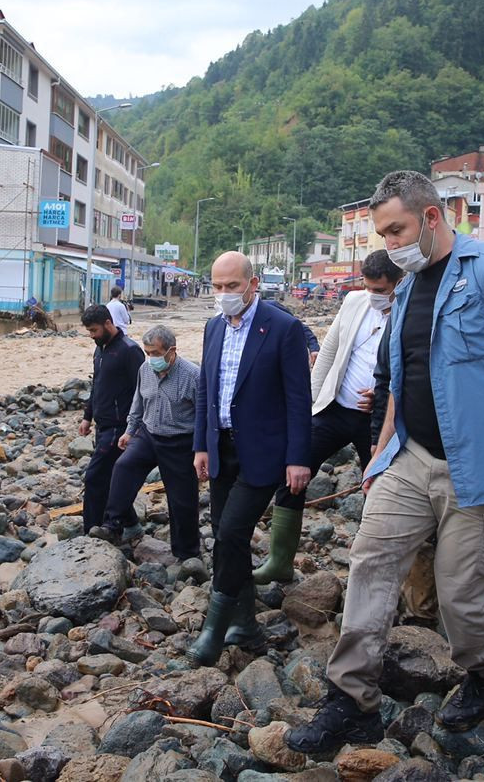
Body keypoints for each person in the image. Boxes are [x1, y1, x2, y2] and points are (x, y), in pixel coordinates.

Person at [287, 171, 484, 751]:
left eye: (397, 229)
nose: (390, 243)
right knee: (370, 563)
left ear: (432, 217)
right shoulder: (406, 290)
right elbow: (405, 378)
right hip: (412, 456)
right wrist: (380, 452)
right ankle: (351, 700)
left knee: (460, 595)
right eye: (382, 233)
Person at [189, 252, 311, 665]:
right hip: (220, 448)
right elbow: (207, 390)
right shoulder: (212, 327)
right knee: (225, 533)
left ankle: (215, 626)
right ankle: (246, 624)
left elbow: (299, 400)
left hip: (262, 451)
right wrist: (201, 445)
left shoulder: (283, 328)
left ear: (252, 283)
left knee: (230, 534)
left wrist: (298, 458)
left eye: (232, 287)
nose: (223, 295)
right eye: (217, 287)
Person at [253, 250, 403, 584]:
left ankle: (371, 571)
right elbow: (330, 353)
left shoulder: (411, 312)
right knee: (293, 470)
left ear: (398, 283)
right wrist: (309, 405)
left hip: (377, 422)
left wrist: (382, 398)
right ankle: (280, 560)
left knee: (378, 489)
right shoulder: (354, 302)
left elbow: (416, 369)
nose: (374, 296)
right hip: (334, 409)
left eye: (380, 290)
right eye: (369, 288)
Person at [98, 325, 202, 558]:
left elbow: (203, 415)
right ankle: (113, 524)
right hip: (148, 434)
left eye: (155, 353)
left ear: (171, 350)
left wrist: (202, 449)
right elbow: (138, 402)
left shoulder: (193, 375)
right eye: (147, 352)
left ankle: (187, 554)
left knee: (182, 499)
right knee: (123, 467)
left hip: (180, 441)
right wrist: (129, 431)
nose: (151, 358)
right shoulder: (145, 369)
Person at [79, 304, 145, 537]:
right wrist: (88, 417)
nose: (92, 336)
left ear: (109, 323)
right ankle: (131, 524)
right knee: (111, 478)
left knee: (95, 477)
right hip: (102, 424)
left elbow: (144, 390)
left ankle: (95, 531)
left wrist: (135, 429)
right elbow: (97, 386)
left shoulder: (130, 351)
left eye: (94, 330)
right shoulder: (100, 350)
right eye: (89, 331)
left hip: (121, 427)